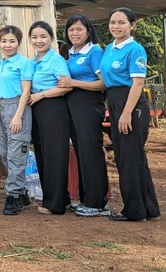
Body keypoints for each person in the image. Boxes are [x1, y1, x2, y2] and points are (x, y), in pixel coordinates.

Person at [99, 7, 160, 222]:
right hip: (114, 100)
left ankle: (134, 210)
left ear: (132, 25)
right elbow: (104, 80)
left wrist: (126, 113)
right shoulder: (109, 48)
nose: (116, 26)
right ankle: (148, 208)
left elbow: (138, 83)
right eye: (112, 22)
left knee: (129, 159)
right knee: (132, 157)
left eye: (121, 22)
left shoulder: (135, 49)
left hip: (132, 105)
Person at [56, 13, 109, 217]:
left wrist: (74, 83)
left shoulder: (94, 52)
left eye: (79, 29)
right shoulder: (71, 52)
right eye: (71, 29)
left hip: (89, 104)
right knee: (81, 152)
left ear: (88, 32)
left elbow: (103, 83)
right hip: (74, 106)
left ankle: (98, 203)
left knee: (91, 152)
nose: (75, 33)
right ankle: (87, 199)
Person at [26, 20, 72, 215]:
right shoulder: (33, 61)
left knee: (54, 155)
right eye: (35, 37)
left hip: (53, 108)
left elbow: (66, 86)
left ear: (51, 38)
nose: (39, 40)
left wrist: (41, 95)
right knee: (43, 154)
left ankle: (56, 203)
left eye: (43, 36)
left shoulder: (56, 60)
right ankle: (58, 197)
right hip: (37, 110)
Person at [0, 25, 33, 215]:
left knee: (16, 153)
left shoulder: (23, 63)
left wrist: (18, 115)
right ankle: (22, 192)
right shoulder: (0, 63)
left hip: (16, 106)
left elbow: (26, 90)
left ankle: (13, 196)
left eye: (12, 41)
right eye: (3, 41)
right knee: (5, 152)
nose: (7, 45)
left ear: (19, 43)